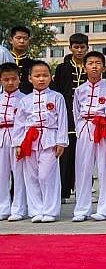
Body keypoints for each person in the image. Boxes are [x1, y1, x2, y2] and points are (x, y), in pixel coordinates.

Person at [12, 60, 67, 223]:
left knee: (46, 175)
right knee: (32, 176)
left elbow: (62, 120)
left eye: (45, 75)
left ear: (51, 77)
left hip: (50, 139)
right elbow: (19, 123)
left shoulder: (57, 97)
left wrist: (61, 142)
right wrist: (18, 143)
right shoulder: (25, 100)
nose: (41, 79)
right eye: (37, 76)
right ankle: (36, 210)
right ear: (30, 78)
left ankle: (50, 210)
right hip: (29, 140)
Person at [72, 51, 106, 222]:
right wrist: (80, 129)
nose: (94, 66)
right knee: (82, 168)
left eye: (98, 63)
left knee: (105, 168)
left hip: (103, 128)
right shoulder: (79, 90)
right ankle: (81, 209)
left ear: (104, 68)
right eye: (90, 63)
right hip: (85, 127)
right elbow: (76, 111)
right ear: (85, 67)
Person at [51, 32, 89, 202]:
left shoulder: (90, 66)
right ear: (70, 48)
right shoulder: (62, 68)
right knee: (66, 156)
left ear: (87, 48)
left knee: (84, 155)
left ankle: (83, 191)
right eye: (76, 47)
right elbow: (57, 92)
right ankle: (63, 192)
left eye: (82, 47)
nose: (79, 50)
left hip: (86, 115)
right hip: (66, 115)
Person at [0, 62, 27, 221]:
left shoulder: (25, 99)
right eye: (6, 79)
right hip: (1, 136)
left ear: (19, 79)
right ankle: (3, 207)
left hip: (18, 137)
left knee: (19, 174)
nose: (10, 82)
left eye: (13, 79)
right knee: (1, 174)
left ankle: (19, 208)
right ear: (0, 80)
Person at [9, 26, 36, 95]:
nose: (22, 41)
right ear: (11, 40)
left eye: (25, 39)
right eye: (18, 38)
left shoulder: (33, 64)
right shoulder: (4, 59)